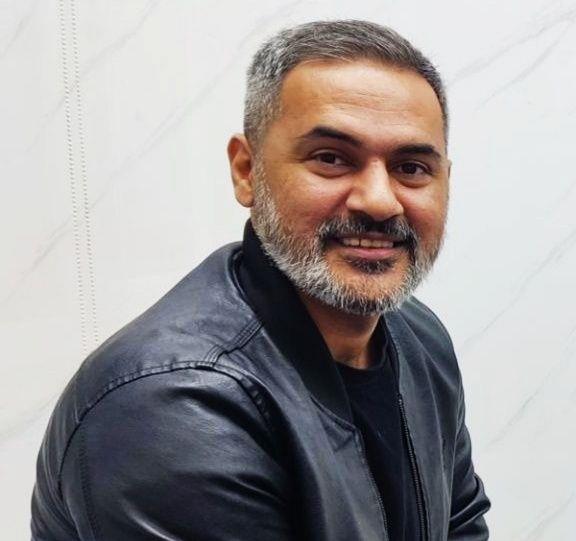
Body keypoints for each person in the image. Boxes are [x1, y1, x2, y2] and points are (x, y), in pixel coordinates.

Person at [31, 19, 490, 541]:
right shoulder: (173, 403)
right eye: (331, 159)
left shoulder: (419, 339)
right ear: (247, 170)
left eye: (411, 167)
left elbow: (460, 523)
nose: (380, 201)